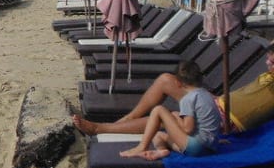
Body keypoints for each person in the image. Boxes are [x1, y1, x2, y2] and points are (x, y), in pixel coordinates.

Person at [73, 42, 274, 136]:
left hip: (224, 121)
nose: (269, 59)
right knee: (166, 80)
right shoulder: (269, 74)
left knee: (165, 116)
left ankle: (101, 128)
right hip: (218, 103)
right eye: (269, 55)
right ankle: (127, 120)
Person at [118, 60, 220, 160]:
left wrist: (176, 119)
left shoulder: (188, 99)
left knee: (158, 110)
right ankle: (161, 151)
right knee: (158, 135)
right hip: (211, 147)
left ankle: (141, 147)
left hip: (196, 147)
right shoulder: (208, 95)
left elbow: (188, 129)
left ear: (177, 82)